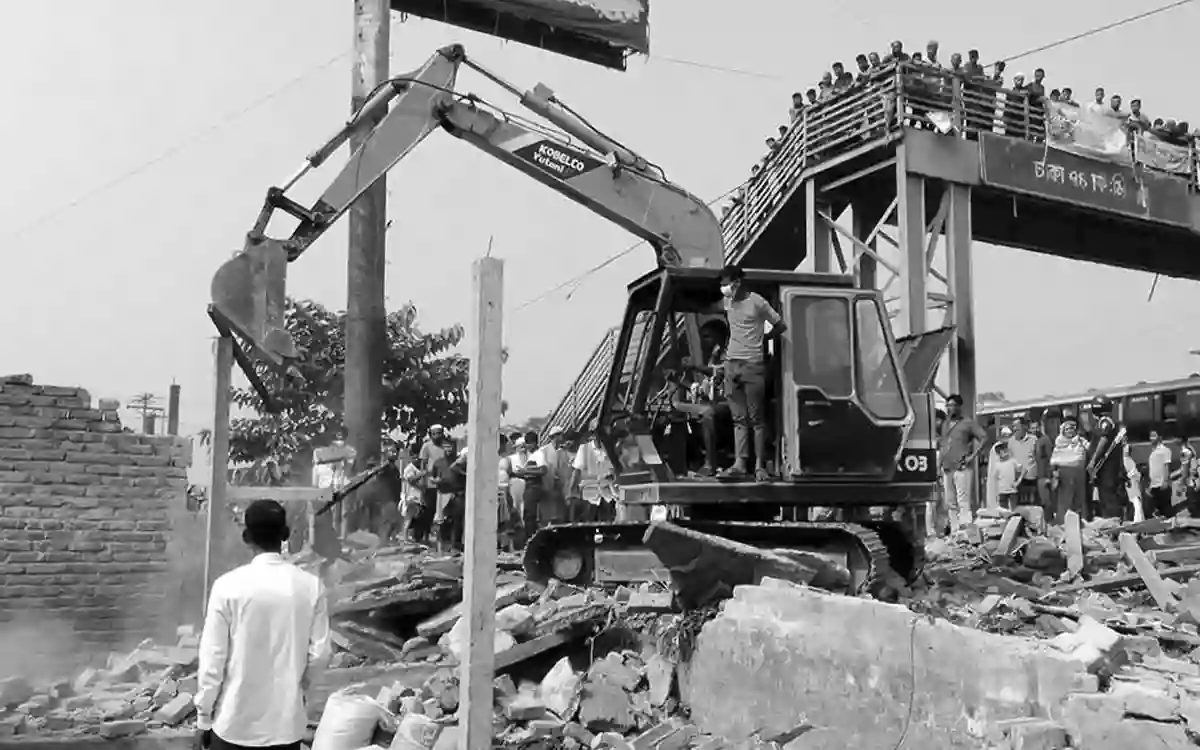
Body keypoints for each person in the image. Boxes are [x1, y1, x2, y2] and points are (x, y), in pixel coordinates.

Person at [195, 500, 331, 750]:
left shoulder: (227, 586)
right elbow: (320, 654)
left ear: (247, 537)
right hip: (285, 729)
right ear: (284, 535)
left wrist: (203, 717)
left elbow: (213, 659)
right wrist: (299, 690)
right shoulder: (311, 586)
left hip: (233, 727)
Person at [717, 265, 786, 482]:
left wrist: (765, 339)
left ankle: (759, 467)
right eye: (722, 285)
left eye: (727, 284)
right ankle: (739, 464)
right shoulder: (727, 303)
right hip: (731, 364)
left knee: (757, 419)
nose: (724, 288)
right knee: (739, 419)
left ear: (738, 282)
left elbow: (780, 325)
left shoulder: (757, 302)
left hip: (753, 365)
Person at [938, 394, 987, 533]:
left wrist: (972, 456)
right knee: (950, 502)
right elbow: (943, 446)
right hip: (947, 467)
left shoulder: (968, 423)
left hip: (962, 467)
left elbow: (984, 437)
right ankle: (954, 531)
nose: (949, 408)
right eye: (947, 406)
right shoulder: (945, 424)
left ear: (959, 407)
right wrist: (938, 465)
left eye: (952, 405)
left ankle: (966, 532)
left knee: (963, 502)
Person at [1085, 396, 1125, 520]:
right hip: (1104, 468)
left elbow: (1103, 441)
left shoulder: (1105, 422)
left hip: (1107, 468)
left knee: (1108, 497)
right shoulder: (1106, 421)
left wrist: (1093, 461)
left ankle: (1113, 522)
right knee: (1104, 497)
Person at [1050, 416, 1089, 524]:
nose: (1070, 431)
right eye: (1067, 429)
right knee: (1065, 500)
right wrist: (1055, 474)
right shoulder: (1059, 443)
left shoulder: (1080, 441)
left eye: (1072, 428)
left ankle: (1081, 522)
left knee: (1079, 499)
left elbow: (1091, 450)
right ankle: (1063, 522)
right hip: (1064, 476)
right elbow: (1054, 460)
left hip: (1079, 475)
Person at [1007, 416, 1039, 506]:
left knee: (1032, 505)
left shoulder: (1033, 439)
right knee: (1019, 506)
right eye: (1013, 427)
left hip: (1031, 478)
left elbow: (1038, 457)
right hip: (1017, 480)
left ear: (1024, 427)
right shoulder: (1011, 441)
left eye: (1017, 427)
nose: (1014, 429)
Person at [989, 441, 1024, 511]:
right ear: (998, 454)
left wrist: (1018, 480)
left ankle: (1015, 519)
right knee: (1003, 509)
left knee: (1015, 509)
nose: (1006, 452)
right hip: (1002, 491)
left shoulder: (1013, 461)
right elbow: (995, 478)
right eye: (1003, 451)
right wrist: (995, 493)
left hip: (1013, 490)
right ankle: (1006, 520)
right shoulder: (997, 465)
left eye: (1006, 450)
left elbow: (1020, 469)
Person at [1146, 430, 1173, 518]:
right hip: (1154, 485)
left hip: (1162, 484)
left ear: (1159, 437)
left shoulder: (1165, 450)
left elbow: (1166, 466)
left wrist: (1165, 481)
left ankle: (1171, 528)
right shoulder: (1152, 452)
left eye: (1154, 436)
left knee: (1166, 509)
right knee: (1157, 510)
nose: (1151, 438)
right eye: (1151, 436)